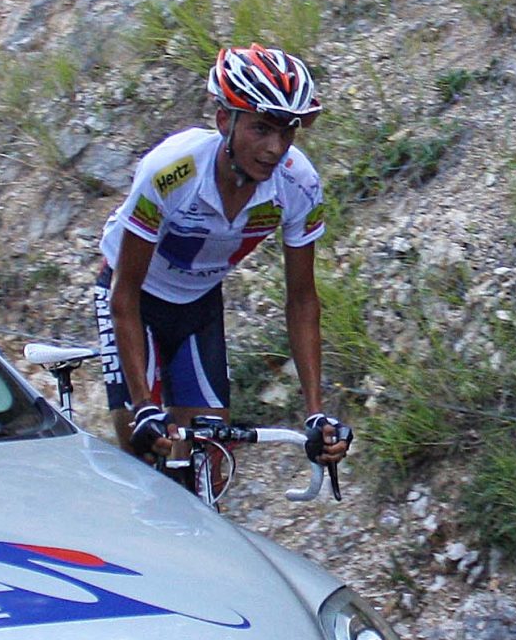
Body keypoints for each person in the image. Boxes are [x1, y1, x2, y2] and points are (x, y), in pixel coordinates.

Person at [92, 43, 350, 473]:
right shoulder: (171, 172)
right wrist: (141, 406)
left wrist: (315, 413)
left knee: (207, 462)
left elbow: (303, 301)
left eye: (288, 133)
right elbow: (125, 294)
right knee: (148, 449)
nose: (275, 148)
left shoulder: (298, 184)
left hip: (199, 304)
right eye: (262, 129)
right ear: (223, 120)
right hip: (134, 300)